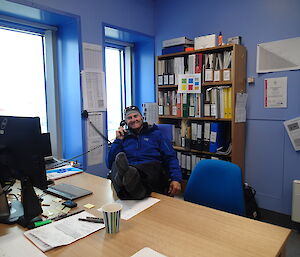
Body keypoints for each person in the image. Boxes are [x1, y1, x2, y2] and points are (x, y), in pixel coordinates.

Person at [106, 105, 182, 200]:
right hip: (130, 170)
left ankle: (124, 177)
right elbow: (109, 163)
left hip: (151, 170)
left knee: (132, 172)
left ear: (142, 117)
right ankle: (128, 178)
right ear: (125, 122)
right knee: (117, 166)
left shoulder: (156, 133)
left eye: (135, 116)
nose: (133, 120)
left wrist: (176, 179)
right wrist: (118, 140)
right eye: (129, 118)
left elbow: (170, 157)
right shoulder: (123, 138)